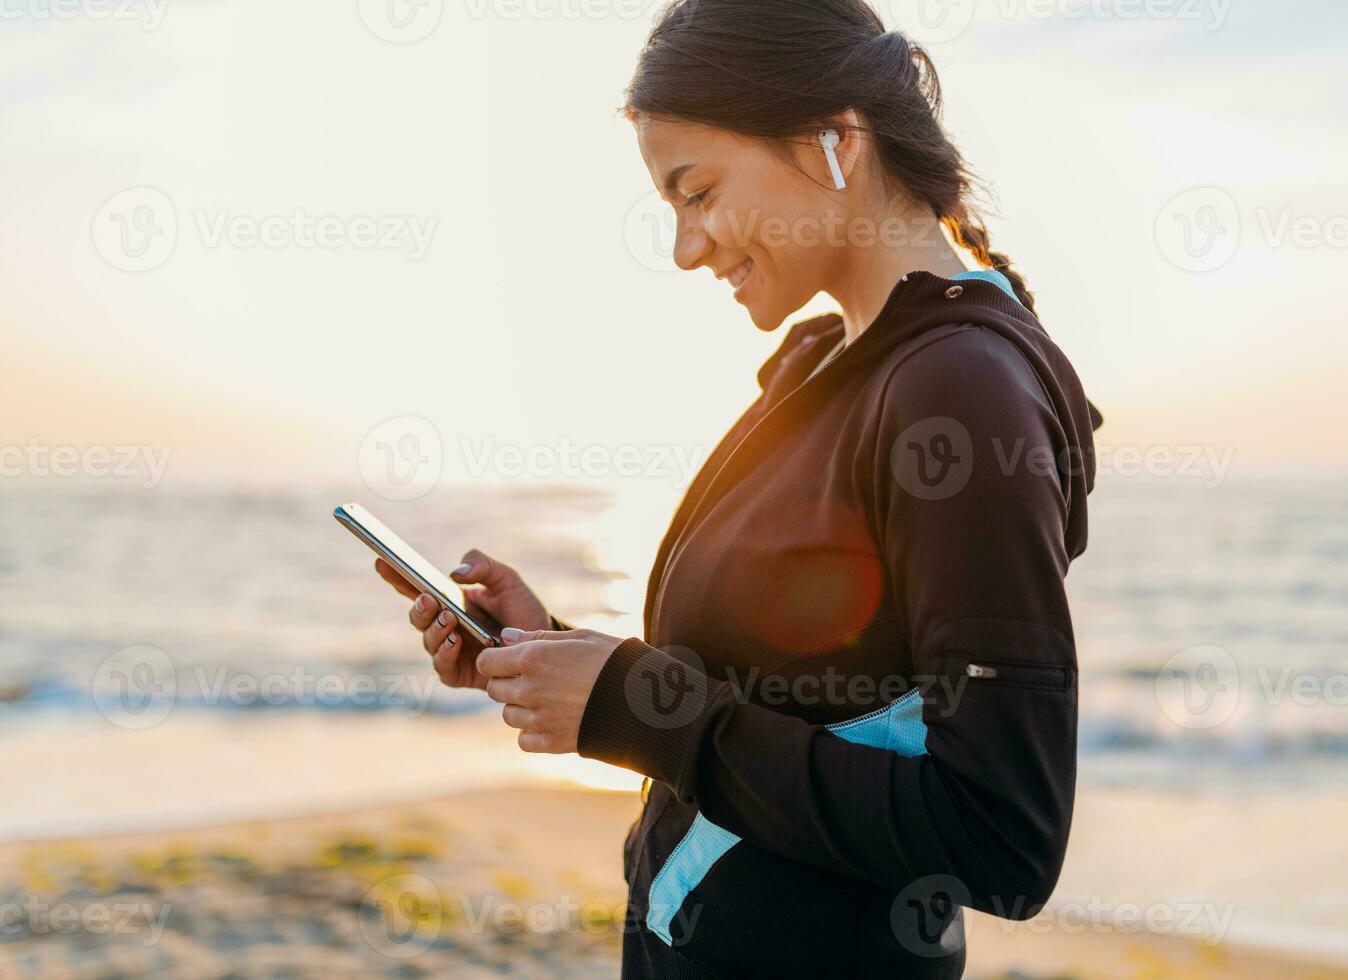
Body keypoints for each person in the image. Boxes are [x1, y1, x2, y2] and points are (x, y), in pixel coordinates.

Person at [378, 0, 1101, 975]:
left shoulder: (957, 391)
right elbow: (799, 693)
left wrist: (633, 702)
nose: (685, 246)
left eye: (699, 190)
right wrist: (556, 658)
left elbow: (999, 835)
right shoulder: (821, 364)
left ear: (831, 140)